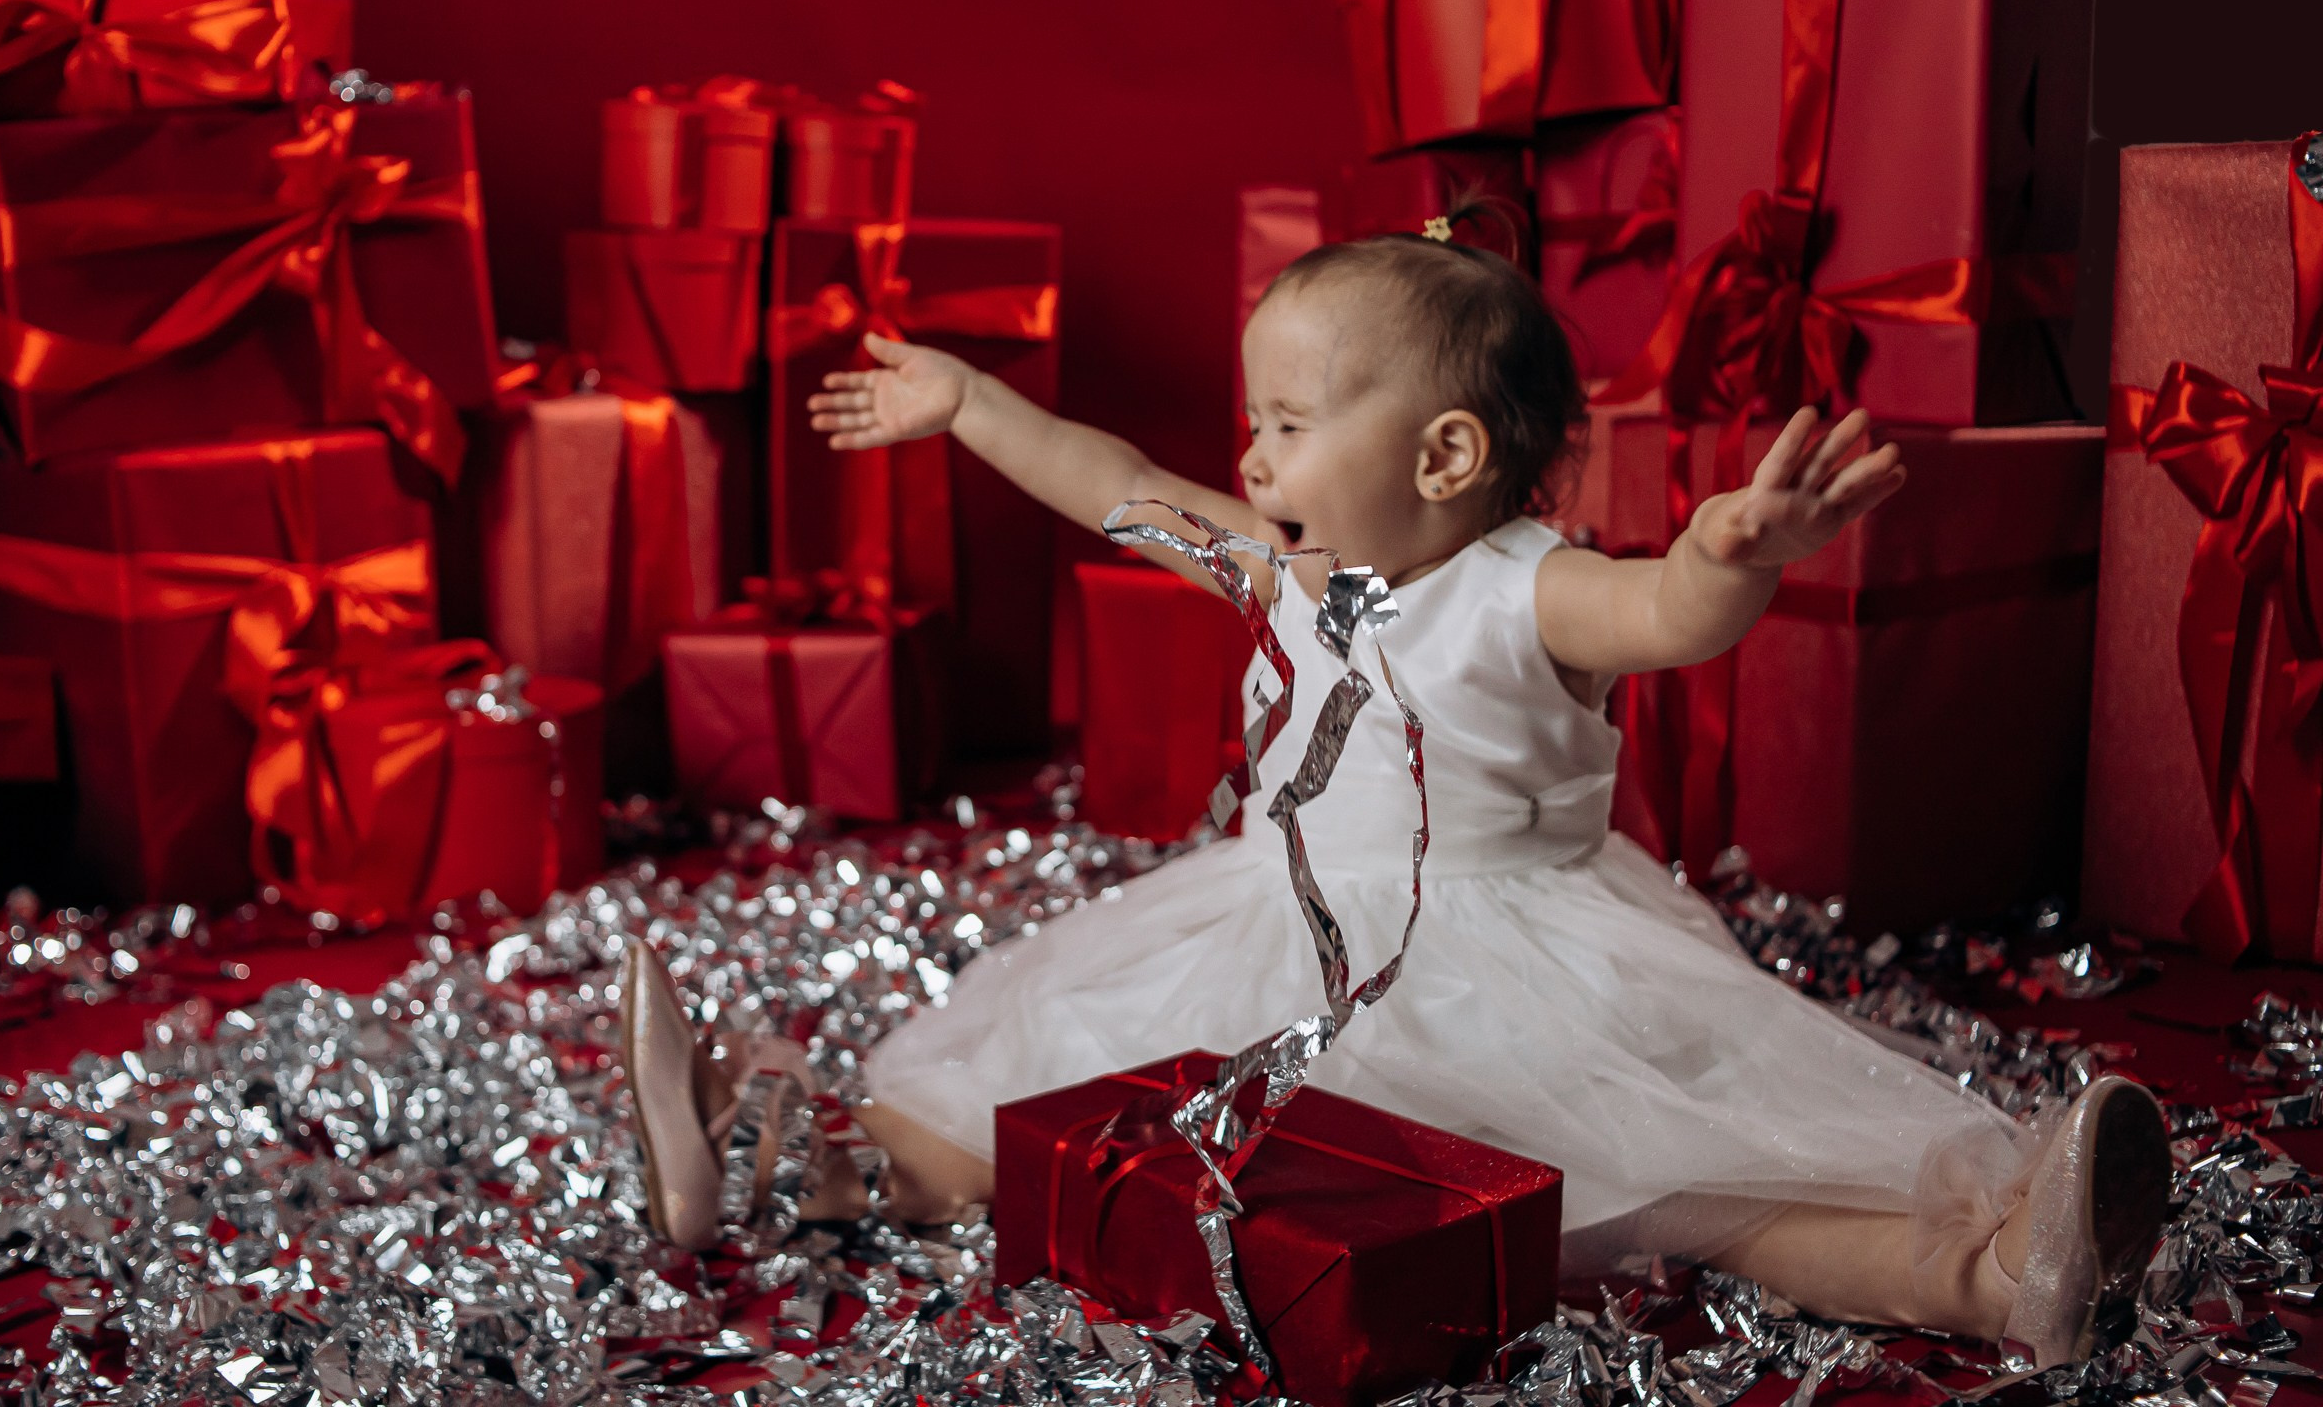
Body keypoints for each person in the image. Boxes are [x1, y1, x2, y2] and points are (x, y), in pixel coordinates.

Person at [619, 209, 2168, 1365]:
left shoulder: (1522, 589)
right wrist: (971, 408)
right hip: (1276, 946)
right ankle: (796, 1163)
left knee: (1672, 1189)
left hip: (1510, 964)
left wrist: (1721, 562)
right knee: (1060, 1097)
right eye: (1255, 424)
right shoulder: (1279, 566)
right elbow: (1113, 484)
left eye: (1290, 427)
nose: (1256, 458)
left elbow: (1658, 618)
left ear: (1440, 459)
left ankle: (1988, 1267)